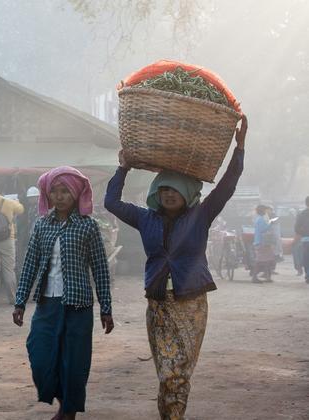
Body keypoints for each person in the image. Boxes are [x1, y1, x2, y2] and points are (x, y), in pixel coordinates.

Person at [104, 115, 247, 420]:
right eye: (164, 189)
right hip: (158, 303)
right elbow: (111, 203)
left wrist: (239, 148)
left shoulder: (201, 215)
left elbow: (227, 186)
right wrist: (123, 168)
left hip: (191, 302)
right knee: (166, 372)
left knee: (179, 371)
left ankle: (173, 416)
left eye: (175, 190)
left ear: (187, 193)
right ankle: (171, 415)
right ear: (156, 193)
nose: (169, 194)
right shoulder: (145, 218)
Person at [13, 166, 113, 420]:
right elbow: (30, 264)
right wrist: (20, 302)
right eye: (54, 191)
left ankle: (68, 411)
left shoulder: (87, 226)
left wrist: (106, 308)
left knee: (74, 362)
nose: (59, 197)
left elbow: (100, 268)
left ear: (76, 194)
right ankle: (62, 401)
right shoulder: (41, 225)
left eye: (65, 191)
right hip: (47, 303)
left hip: (77, 306)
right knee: (40, 356)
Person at [252, 205, 276, 282]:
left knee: (266, 260)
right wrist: (270, 224)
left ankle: (267, 276)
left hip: (261, 242)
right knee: (261, 260)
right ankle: (255, 277)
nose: (266, 211)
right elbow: (263, 229)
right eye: (265, 210)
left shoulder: (259, 219)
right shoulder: (260, 219)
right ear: (263, 211)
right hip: (262, 242)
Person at [294, 196, 309, 283]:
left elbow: (296, 228)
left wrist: (302, 231)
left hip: (305, 239)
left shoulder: (301, 214)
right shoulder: (302, 214)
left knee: (307, 258)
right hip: (306, 239)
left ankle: (308, 276)